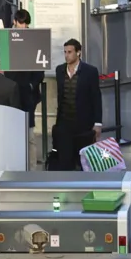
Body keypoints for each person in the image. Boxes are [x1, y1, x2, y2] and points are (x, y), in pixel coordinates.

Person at [52, 39, 103, 170]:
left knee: (84, 162)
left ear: (78, 52)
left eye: (69, 52)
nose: (66, 55)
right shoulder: (60, 71)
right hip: (64, 124)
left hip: (83, 125)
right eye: (65, 52)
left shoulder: (90, 71)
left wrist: (97, 123)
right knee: (65, 161)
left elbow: (96, 97)